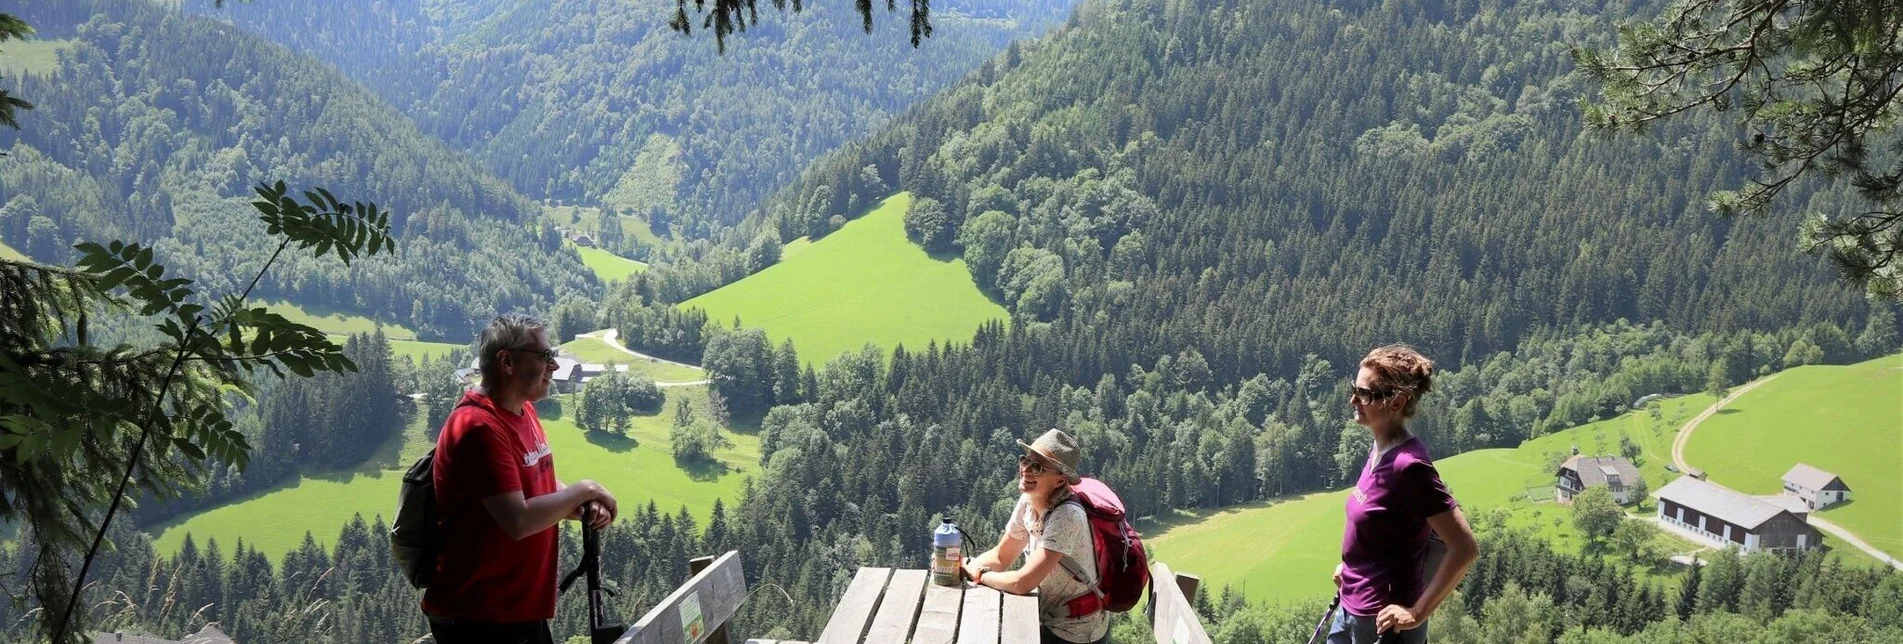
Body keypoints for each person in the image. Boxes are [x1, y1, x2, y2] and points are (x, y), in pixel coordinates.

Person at [422, 314, 619, 644]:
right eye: (545, 356)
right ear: (507, 362)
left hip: (515, 611)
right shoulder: (478, 427)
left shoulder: (522, 411)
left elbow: (533, 487)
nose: (554, 365)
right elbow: (518, 520)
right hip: (481, 617)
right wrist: (586, 489)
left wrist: (578, 504)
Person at [1328, 344, 1478, 644]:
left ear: (1396, 402)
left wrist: (1417, 613)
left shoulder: (1409, 467)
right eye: (1354, 389)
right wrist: (1352, 567)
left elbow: (1465, 547)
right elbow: (1383, 528)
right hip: (1350, 608)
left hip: (1383, 628)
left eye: (1365, 394)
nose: (1353, 400)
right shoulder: (1378, 449)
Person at [961, 429, 1110, 644]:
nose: (1026, 470)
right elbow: (1002, 556)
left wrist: (978, 574)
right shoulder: (1028, 502)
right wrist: (964, 566)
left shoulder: (1068, 516)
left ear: (1059, 481)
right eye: (1025, 460)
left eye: (1037, 467)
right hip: (1046, 618)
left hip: (1076, 632)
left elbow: (1023, 583)